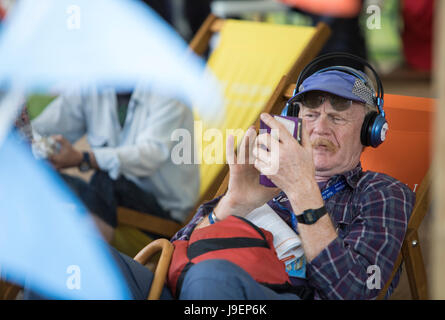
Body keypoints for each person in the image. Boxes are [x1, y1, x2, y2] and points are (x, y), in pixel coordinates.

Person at [26, 56, 415, 300]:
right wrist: (234, 202)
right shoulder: (266, 180)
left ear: (371, 131)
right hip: (185, 290)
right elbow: (177, 253)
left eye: (339, 116)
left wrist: (302, 190)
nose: (319, 128)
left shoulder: (381, 194)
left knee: (212, 277)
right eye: (311, 114)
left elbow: (353, 292)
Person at [31, 83, 199, 242]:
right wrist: (20, 132)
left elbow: (149, 156)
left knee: (104, 179)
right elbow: (44, 128)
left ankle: (91, 257)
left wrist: (84, 158)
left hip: (164, 211)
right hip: (115, 197)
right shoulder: (92, 86)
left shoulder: (169, 91)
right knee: (53, 182)